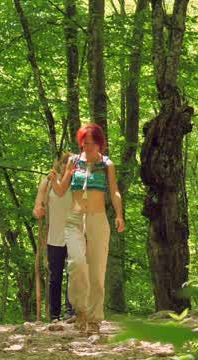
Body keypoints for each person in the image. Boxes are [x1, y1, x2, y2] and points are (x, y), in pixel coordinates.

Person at [52, 124, 125, 335]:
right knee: (77, 263)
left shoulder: (107, 164)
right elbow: (60, 190)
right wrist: (53, 179)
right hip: (74, 219)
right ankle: (80, 309)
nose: (88, 146)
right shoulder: (74, 162)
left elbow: (115, 192)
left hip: (98, 219)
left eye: (93, 143)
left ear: (100, 144)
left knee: (97, 270)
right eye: (85, 142)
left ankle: (94, 319)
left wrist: (119, 215)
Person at [33, 151, 75, 323]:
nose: (68, 167)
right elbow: (37, 206)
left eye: (71, 165)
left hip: (75, 233)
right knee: (55, 276)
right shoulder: (48, 182)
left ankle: (71, 311)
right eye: (65, 163)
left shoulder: (78, 183)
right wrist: (39, 210)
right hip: (54, 236)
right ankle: (55, 315)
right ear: (61, 164)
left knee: (74, 273)